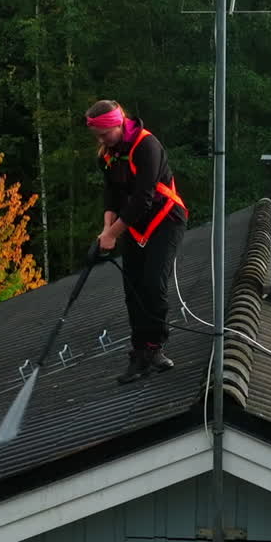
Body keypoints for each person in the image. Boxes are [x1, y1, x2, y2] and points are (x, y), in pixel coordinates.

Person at [85, 99, 188, 384]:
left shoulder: (147, 146)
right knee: (133, 288)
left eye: (105, 135)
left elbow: (142, 199)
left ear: (119, 124)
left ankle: (155, 349)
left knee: (153, 283)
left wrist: (112, 234)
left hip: (166, 219)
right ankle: (139, 351)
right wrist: (106, 229)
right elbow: (112, 195)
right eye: (98, 137)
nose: (102, 141)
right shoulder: (106, 156)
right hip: (133, 223)